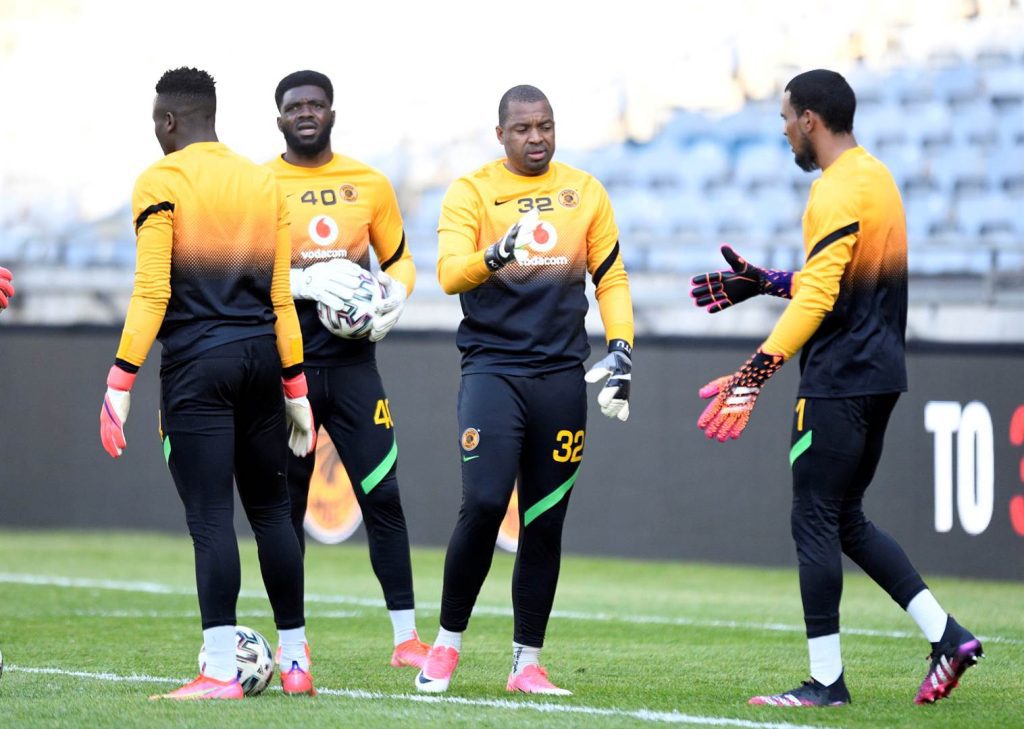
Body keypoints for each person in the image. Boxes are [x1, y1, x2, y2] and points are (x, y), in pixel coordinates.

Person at [690, 69, 982, 707]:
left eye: (786, 120)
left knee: (814, 518)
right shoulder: (875, 177)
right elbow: (838, 279)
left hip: (837, 380)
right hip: (880, 376)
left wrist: (755, 373)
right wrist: (767, 281)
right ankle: (948, 637)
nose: (786, 132)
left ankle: (826, 682)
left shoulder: (831, 192)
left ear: (810, 121)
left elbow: (823, 296)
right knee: (844, 518)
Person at [98, 67, 318, 700]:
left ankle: (221, 669)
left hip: (200, 365)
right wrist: (297, 391)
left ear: (168, 121)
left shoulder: (161, 180)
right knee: (274, 512)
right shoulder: (262, 180)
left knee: (212, 521)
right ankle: (296, 662)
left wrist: (120, 381)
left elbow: (153, 290)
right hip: (260, 361)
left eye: (155, 124)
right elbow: (281, 298)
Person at [415, 84, 634, 696]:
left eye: (545, 126)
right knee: (484, 503)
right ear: (500, 134)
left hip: (562, 376)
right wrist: (496, 253)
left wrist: (622, 349)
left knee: (545, 519)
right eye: (523, 128)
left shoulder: (585, 192)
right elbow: (449, 272)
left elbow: (611, 277)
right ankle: (447, 644)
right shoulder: (473, 192)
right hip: (492, 370)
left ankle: (527, 663)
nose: (536, 137)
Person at [265, 70, 429, 669]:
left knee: (383, 494)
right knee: (285, 508)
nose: (305, 112)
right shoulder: (259, 184)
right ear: (278, 117)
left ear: (332, 112)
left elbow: (402, 259)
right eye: (294, 106)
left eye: (316, 104)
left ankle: (407, 640)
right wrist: (305, 281)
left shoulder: (369, 182)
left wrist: (396, 293)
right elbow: (243, 271)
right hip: (287, 369)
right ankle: (292, 646)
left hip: (357, 369)